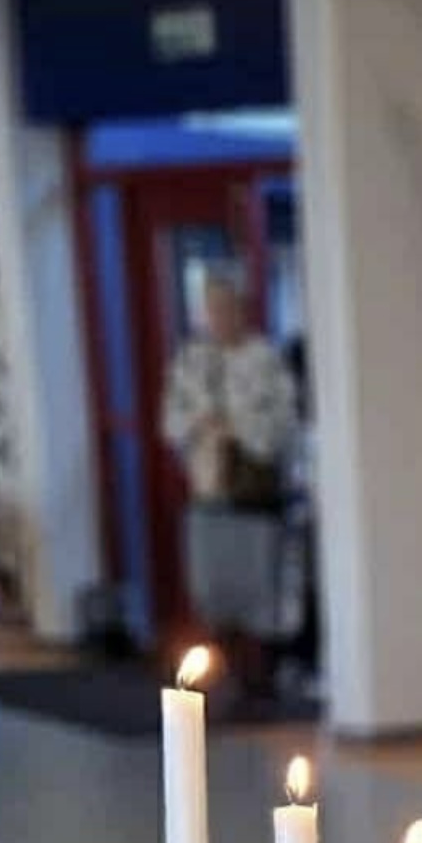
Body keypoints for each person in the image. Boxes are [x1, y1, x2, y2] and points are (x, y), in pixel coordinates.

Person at [160, 272, 298, 696]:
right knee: (213, 587)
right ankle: (220, 670)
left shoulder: (264, 360)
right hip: (208, 490)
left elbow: (282, 424)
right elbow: (172, 421)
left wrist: (238, 428)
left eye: (227, 307)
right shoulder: (192, 360)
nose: (220, 317)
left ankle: (264, 674)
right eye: (213, 309)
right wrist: (202, 422)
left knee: (259, 584)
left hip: (252, 494)